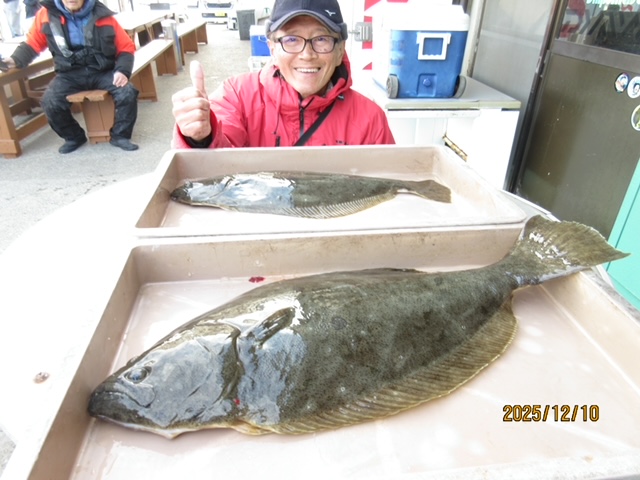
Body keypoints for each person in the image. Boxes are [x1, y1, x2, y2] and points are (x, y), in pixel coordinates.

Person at [171, 0, 395, 149]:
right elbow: (215, 170)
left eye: (321, 39)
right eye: (291, 39)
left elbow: (388, 188)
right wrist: (200, 137)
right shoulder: (236, 96)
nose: (307, 54)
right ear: (272, 49)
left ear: (339, 51)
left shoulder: (370, 119)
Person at [3, 0, 139, 153]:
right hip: (69, 74)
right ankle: (74, 137)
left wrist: (122, 71)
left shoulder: (102, 14)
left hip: (102, 71)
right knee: (50, 102)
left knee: (128, 92)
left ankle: (120, 136)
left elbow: (126, 47)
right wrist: (14, 60)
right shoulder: (45, 15)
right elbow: (33, 44)